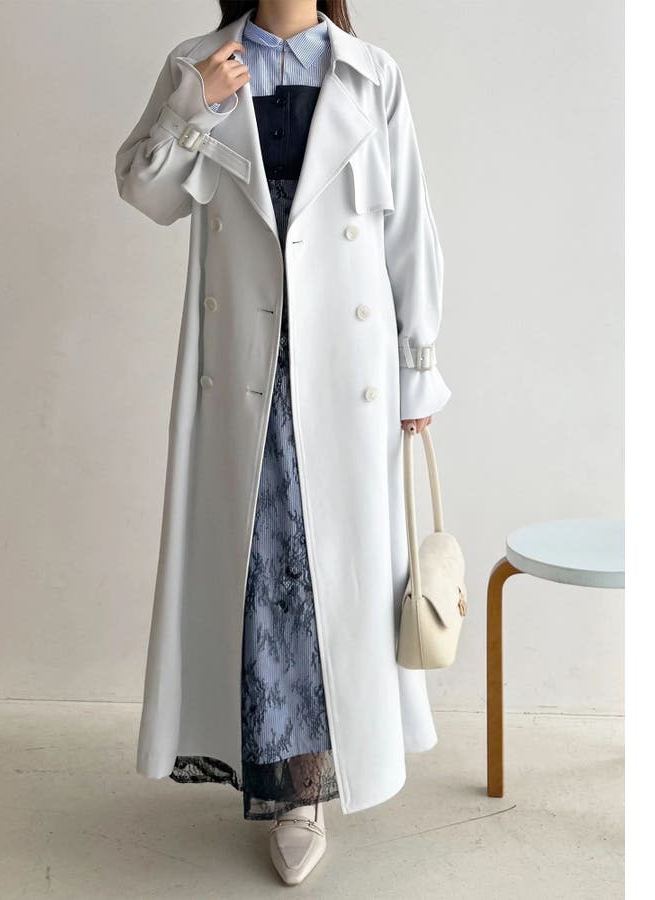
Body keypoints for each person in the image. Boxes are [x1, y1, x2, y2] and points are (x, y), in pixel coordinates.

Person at [115, 0, 451, 885]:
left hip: (346, 373)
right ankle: (288, 784)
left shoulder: (371, 74)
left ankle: (313, 782)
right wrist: (192, 106)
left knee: (332, 573)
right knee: (263, 571)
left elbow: (409, 228)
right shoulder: (199, 62)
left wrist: (418, 364)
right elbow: (145, 191)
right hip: (244, 369)